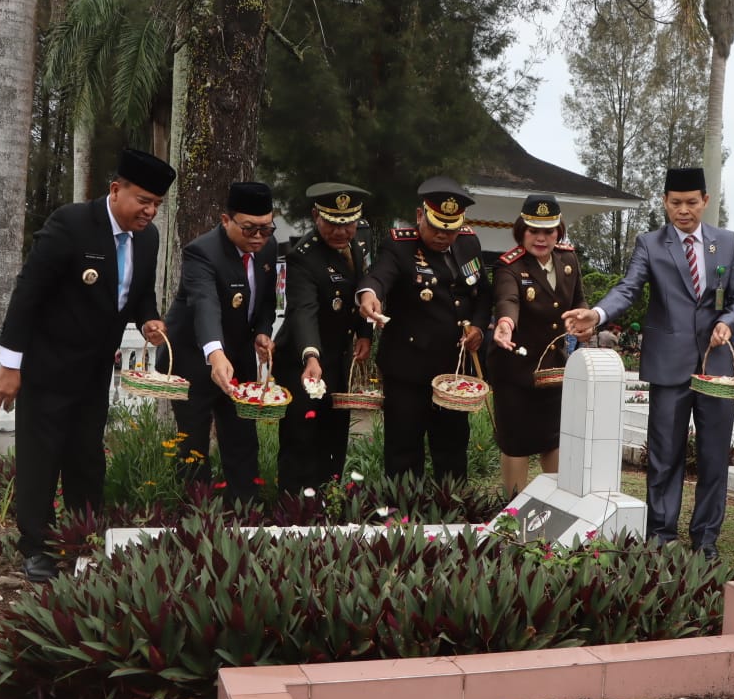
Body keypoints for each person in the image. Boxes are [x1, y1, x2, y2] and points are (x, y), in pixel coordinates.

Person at [0, 148, 175, 582]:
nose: (149, 211)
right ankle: (36, 548)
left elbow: (138, 292)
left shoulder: (147, 238)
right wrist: (10, 365)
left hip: (96, 370)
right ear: (116, 190)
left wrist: (148, 317)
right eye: (143, 200)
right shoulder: (71, 224)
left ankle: (81, 539)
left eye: (156, 205)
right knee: (42, 457)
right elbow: (28, 293)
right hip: (47, 366)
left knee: (87, 457)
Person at [563, 167, 734, 560]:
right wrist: (596, 314)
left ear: (705, 201)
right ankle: (661, 533)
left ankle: (706, 537)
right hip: (668, 366)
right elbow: (628, 288)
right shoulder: (650, 243)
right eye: (676, 203)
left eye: (691, 202)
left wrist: (727, 324)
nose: (684, 211)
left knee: (715, 454)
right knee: (665, 454)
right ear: (664, 202)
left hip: (716, 365)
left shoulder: (727, 243)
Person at [358, 177, 491, 482]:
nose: (444, 235)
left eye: (451, 228)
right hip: (408, 369)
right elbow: (378, 276)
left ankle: (453, 514)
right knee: (404, 450)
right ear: (420, 216)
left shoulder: (469, 242)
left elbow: (482, 293)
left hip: (453, 373)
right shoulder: (399, 245)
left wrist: (480, 329)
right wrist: (369, 295)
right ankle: (403, 518)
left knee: (453, 448)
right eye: (436, 227)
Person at [160, 181, 278, 506]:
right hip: (193, 357)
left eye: (266, 229)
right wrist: (215, 352)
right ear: (226, 220)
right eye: (249, 228)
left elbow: (266, 300)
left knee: (242, 435)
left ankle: (245, 510)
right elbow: (204, 303)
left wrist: (263, 332)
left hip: (239, 355)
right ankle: (196, 515)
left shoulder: (268, 247)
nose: (258, 237)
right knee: (194, 441)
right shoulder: (201, 252)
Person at [273, 183, 374, 494]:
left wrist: (364, 332)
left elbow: (359, 292)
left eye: (348, 224)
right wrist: (311, 356)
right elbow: (304, 311)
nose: (341, 232)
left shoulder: (357, 246)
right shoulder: (302, 257)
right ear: (316, 216)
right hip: (302, 362)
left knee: (334, 435)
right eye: (332, 223)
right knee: (301, 436)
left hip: (338, 359)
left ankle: (327, 502)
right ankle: (292, 509)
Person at [488, 195, 588, 495]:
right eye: (534, 231)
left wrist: (584, 318)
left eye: (549, 231)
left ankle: (552, 505)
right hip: (514, 368)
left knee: (552, 439)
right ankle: (512, 511)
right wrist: (505, 324)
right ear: (522, 230)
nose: (541, 238)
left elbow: (578, 299)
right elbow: (508, 300)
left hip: (552, 369)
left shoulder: (569, 259)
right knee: (516, 442)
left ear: (559, 231)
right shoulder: (509, 266)